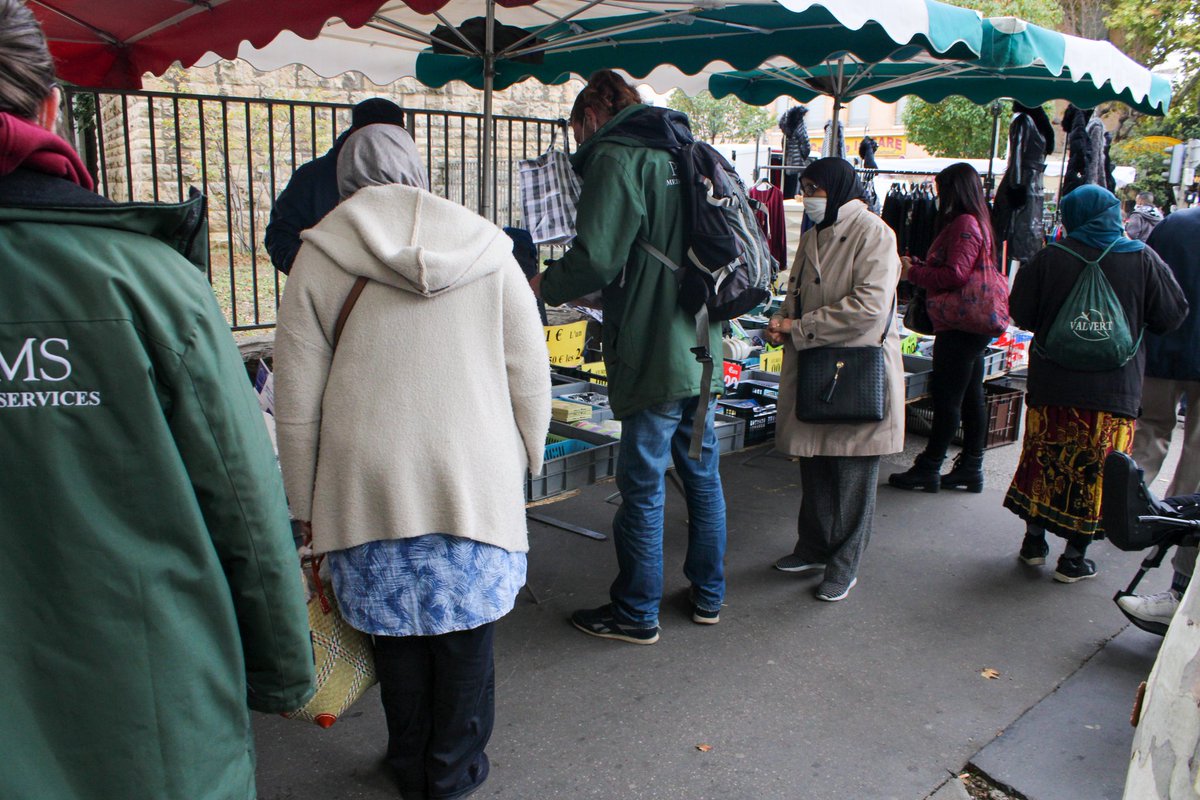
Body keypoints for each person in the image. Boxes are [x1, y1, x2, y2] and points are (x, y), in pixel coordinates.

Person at [0, 2, 315, 799]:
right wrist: (283, 667)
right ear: (49, 106)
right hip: (149, 707)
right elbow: (242, 499)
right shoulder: (147, 282)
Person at [274, 124, 550, 799]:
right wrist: (529, 456)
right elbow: (530, 374)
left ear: (342, 182)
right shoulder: (489, 249)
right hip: (473, 474)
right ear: (417, 169)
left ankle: (410, 762)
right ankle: (453, 771)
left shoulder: (320, 256)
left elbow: (297, 401)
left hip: (365, 480)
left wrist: (304, 506)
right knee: (466, 637)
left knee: (394, 634)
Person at [529, 70, 727, 643]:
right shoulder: (682, 147)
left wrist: (542, 284)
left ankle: (637, 613)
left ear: (589, 118)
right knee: (702, 474)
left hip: (654, 350)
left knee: (642, 483)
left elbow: (596, 260)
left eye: (575, 130)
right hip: (702, 344)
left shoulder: (617, 158)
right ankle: (709, 596)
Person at [1004, 185, 1187, 583]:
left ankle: (1033, 542)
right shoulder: (1142, 258)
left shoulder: (1050, 258)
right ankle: (1074, 558)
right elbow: (1173, 313)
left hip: (1053, 386)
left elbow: (1020, 313)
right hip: (1114, 391)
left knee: (1045, 462)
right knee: (1097, 472)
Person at [765, 157, 905, 602]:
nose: (808, 196)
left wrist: (799, 328)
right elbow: (795, 292)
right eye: (805, 186)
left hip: (856, 367)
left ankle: (845, 563)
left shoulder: (875, 233)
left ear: (839, 188)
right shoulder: (812, 235)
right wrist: (781, 319)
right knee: (816, 462)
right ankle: (814, 547)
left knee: (852, 472)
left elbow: (869, 307)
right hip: (815, 363)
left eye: (815, 187)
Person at [889, 163, 1003, 494]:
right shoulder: (976, 221)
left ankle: (930, 466)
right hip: (971, 323)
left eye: (942, 190)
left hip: (962, 324)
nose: (939, 197)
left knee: (949, 397)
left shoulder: (965, 223)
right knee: (970, 396)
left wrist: (915, 274)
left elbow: (955, 275)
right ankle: (970, 467)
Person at [1119, 205, 1200, 626]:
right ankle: (1177, 523)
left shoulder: (1174, 225)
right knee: (1197, 457)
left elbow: (1151, 280)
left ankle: (1134, 511)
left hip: (1164, 349)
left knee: (1150, 431)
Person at [264, 97, 406, 274]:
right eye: (377, 138)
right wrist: (319, 273)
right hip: (329, 295)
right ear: (356, 134)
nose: (386, 146)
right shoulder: (312, 176)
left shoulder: (404, 177)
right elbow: (280, 236)